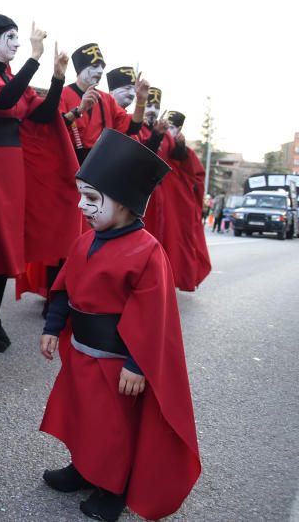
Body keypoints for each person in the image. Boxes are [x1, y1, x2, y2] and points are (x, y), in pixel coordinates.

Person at [39, 129, 201, 522]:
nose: (82, 206)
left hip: (117, 362)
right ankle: (82, 467)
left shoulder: (147, 252)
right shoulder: (84, 243)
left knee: (113, 428)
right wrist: (52, 326)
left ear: (127, 204)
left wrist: (137, 364)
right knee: (82, 416)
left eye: (93, 199)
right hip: (81, 353)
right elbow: (63, 290)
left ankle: (112, 489)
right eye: (82, 196)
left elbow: (154, 318)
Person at [0, 13, 78, 352]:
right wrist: (34, 59)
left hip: (10, 169)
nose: (18, 44)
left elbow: (44, 113)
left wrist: (57, 78)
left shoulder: (7, 75)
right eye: (11, 37)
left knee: (6, 246)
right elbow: (4, 99)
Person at [140, 111, 211, 291]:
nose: (168, 130)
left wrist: (180, 149)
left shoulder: (181, 149)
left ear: (179, 129)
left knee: (173, 242)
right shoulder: (147, 135)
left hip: (173, 205)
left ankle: (166, 277)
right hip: (150, 201)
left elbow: (193, 177)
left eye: (172, 127)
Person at [59, 44, 149, 164]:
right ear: (80, 70)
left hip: (99, 165)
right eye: (95, 66)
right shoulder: (63, 94)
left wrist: (141, 102)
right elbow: (55, 128)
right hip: (68, 162)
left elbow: (133, 127)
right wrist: (78, 111)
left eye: (102, 67)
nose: (100, 71)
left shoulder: (106, 99)